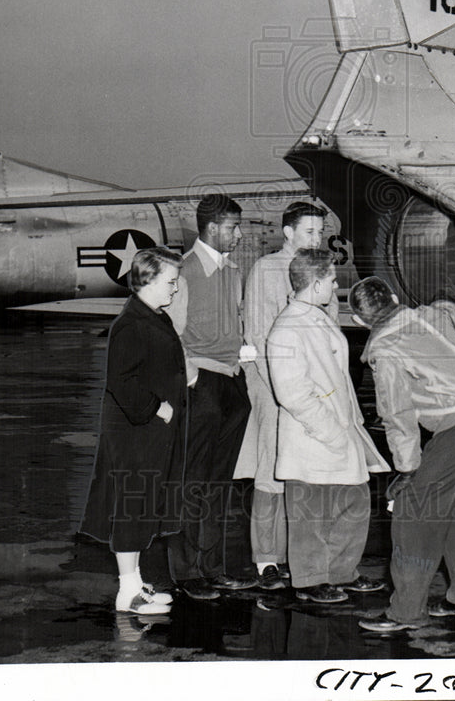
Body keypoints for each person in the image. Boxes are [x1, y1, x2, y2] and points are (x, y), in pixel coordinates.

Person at [350, 277, 455, 634]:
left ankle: (406, 611)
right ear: (394, 298)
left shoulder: (385, 349)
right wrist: (447, 302)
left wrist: (407, 470)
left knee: (413, 514)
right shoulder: (429, 316)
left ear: (362, 322)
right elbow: (448, 311)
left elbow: (397, 415)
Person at [267, 249, 389, 604]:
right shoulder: (287, 328)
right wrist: (331, 432)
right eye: (333, 280)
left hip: (339, 429)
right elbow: (292, 393)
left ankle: (340, 572)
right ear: (317, 282)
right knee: (310, 513)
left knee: (352, 502)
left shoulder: (316, 317)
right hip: (313, 436)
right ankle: (308, 581)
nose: (336, 285)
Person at [80, 247, 186, 615]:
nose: (175, 289)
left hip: (147, 432)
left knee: (141, 505)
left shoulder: (153, 316)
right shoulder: (131, 324)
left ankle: (137, 582)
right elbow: (121, 382)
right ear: (148, 279)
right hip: (134, 432)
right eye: (170, 282)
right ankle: (128, 593)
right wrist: (158, 407)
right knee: (131, 506)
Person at [235, 202, 336, 591]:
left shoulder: (320, 268)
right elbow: (258, 334)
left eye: (319, 232)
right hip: (274, 386)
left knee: (304, 474)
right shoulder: (267, 269)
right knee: (272, 473)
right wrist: (282, 393)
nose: (316, 238)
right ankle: (266, 560)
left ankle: (302, 557)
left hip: (308, 390)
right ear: (288, 232)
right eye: (309, 232)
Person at [166, 193, 255, 599]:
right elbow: (169, 335)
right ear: (213, 228)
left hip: (232, 384)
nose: (239, 234)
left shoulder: (232, 270)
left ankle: (213, 567)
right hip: (201, 385)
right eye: (233, 227)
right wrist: (191, 378)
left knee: (219, 484)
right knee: (193, 482)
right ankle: (188, 574)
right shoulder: (183, 273)